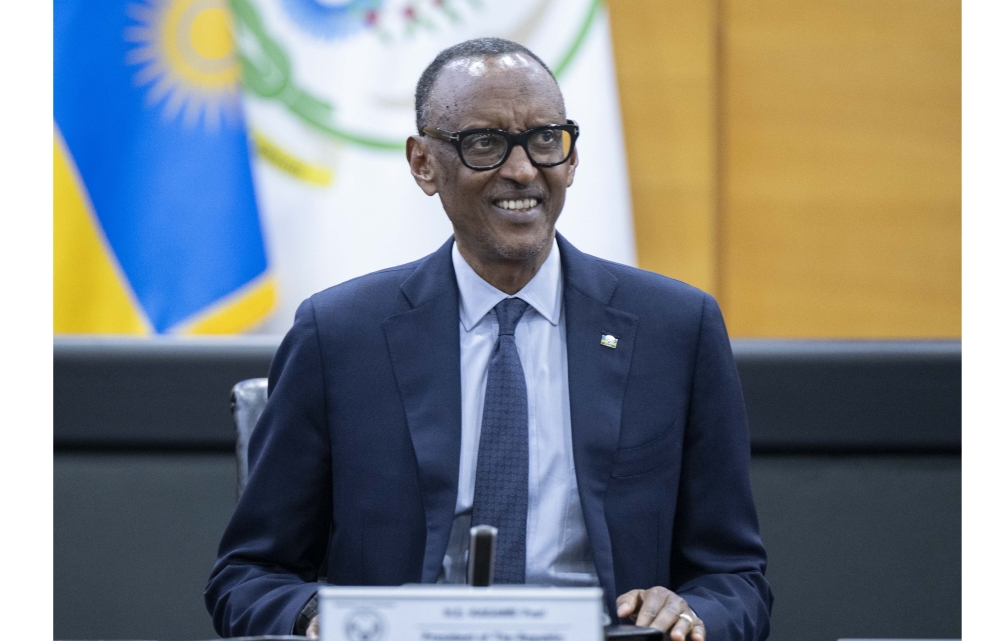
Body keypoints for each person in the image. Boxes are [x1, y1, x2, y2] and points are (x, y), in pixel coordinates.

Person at [206, 38, 772, 641]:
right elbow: (250, 576)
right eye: (484, 143)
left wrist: (689, 613)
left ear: (572, 159)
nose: (523, 169)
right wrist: (319, 619)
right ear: (423, 163)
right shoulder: (341, 336)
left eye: (545, 140)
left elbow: (734, 578)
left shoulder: (674, 329)